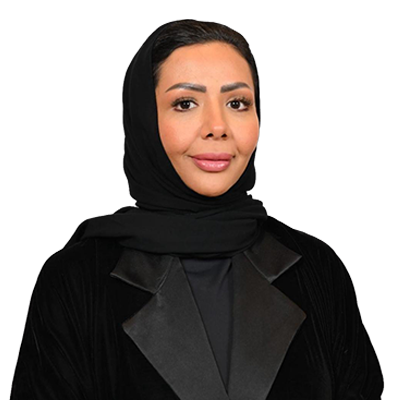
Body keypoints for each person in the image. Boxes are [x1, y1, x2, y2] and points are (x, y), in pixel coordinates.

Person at [10, 19, 384, 399]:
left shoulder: (316, 269)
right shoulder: (77, 281)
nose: (217, 127)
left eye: (237, 103)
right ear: (144, 118)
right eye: (185, 103)